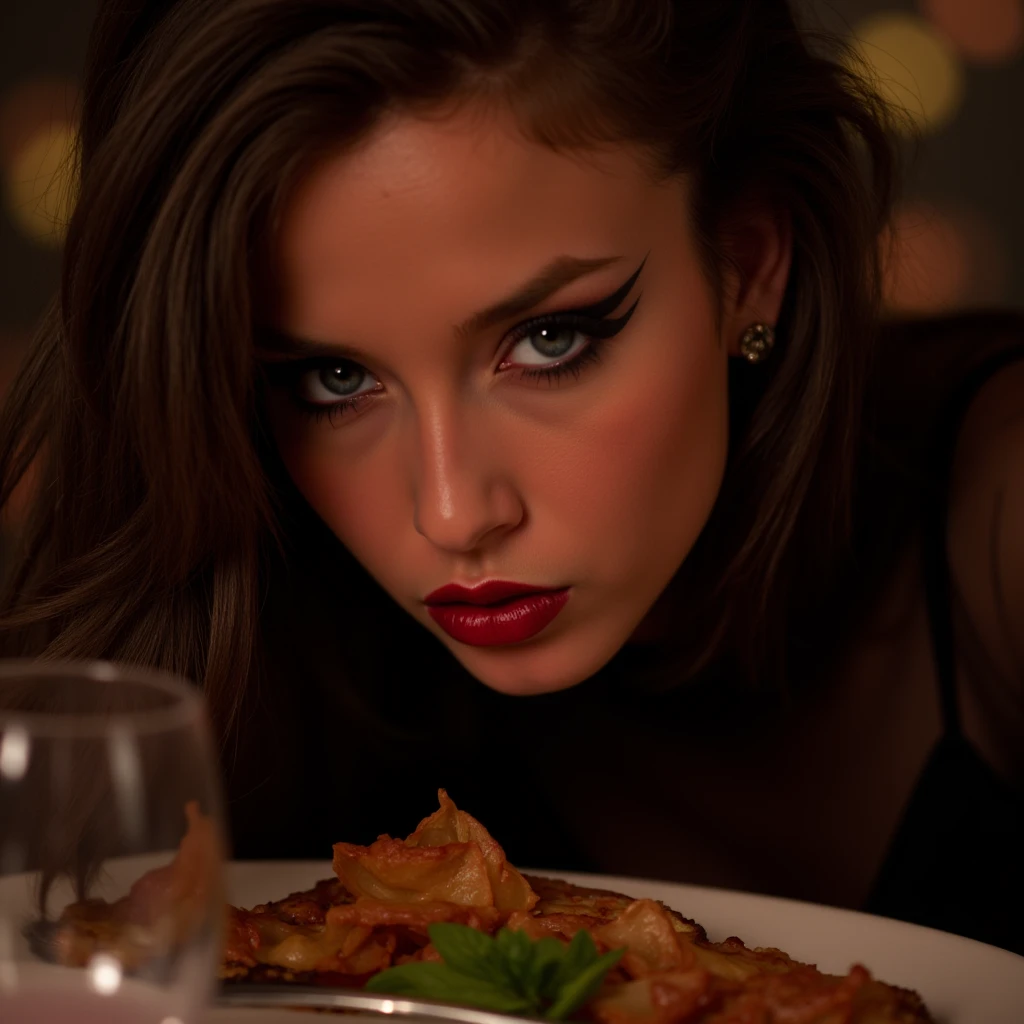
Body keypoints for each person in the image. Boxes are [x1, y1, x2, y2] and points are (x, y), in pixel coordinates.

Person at [0, 0, 1021, 953]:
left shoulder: (1000, 516)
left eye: (547, 339)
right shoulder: (249, 628)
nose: (451, 514)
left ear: (747, 260)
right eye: (334, 377)